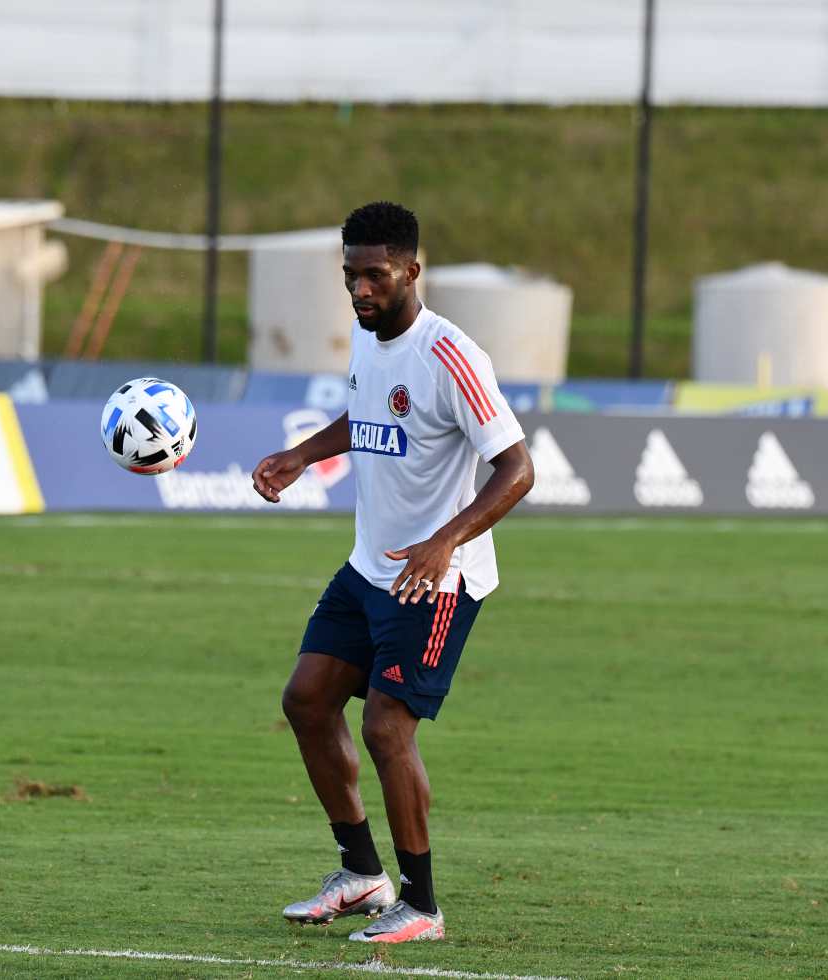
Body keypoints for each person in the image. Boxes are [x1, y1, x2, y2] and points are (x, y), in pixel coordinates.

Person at [250, 201, 535, 943]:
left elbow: (517, 467)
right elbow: (366, 415)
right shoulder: (368, 337)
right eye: (350, 275)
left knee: (385, 727)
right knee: (307, 701)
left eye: (374, 275)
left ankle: (423, 904)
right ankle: (362, 874)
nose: (359, 289)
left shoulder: (451, 356)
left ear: (413, 269)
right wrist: (302, 455)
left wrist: (445, 542)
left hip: (436, 580)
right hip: (368, 566)